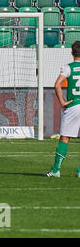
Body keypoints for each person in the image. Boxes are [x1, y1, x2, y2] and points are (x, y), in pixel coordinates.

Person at [46, 41, 80, 177]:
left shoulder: (68, 67)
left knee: (65, 137)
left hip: (73, 105)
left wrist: (62, 102)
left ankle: (56, 170)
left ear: (72, 53)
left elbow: (57, 85)